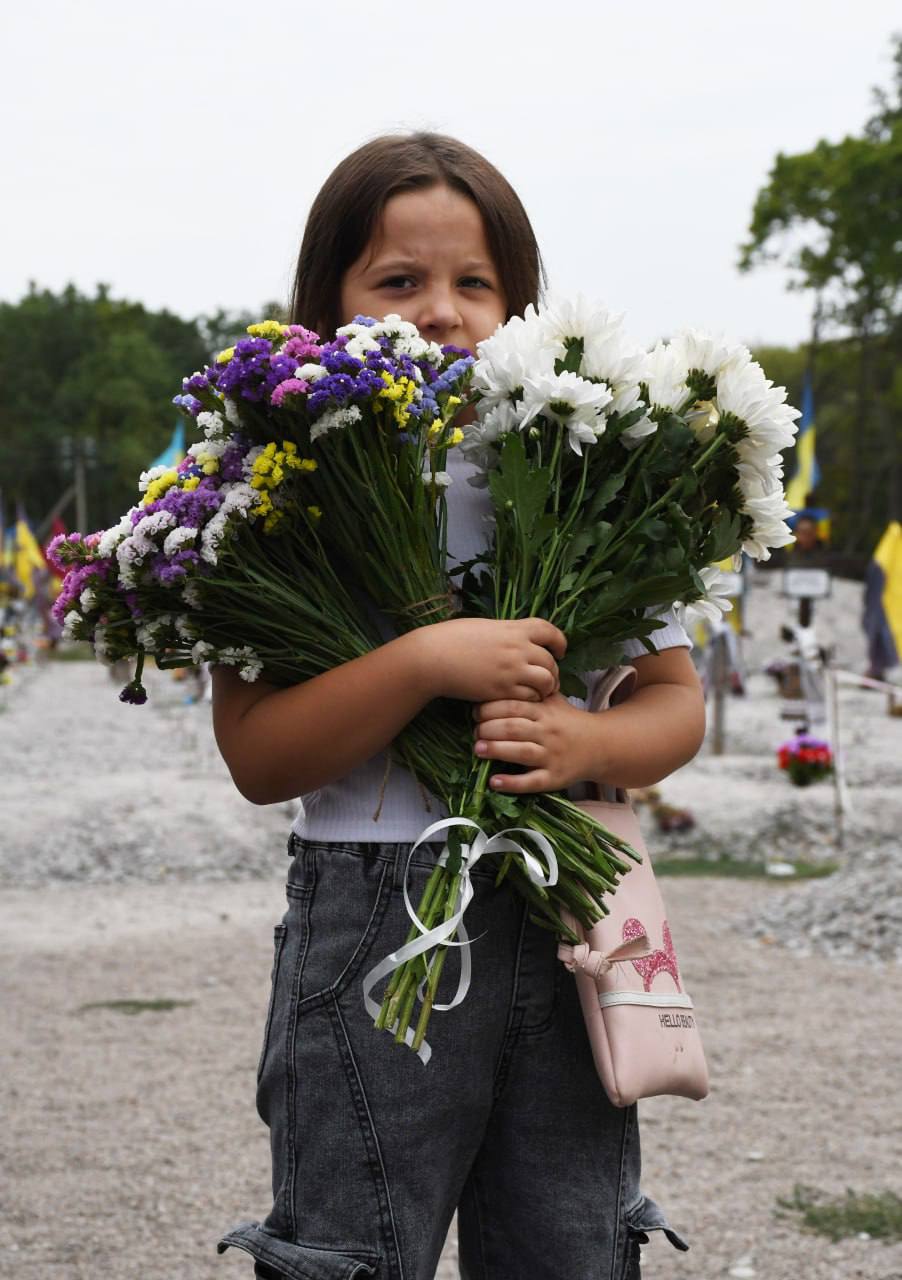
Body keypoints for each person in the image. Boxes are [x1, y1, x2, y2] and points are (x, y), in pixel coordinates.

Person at [212, 132, 704, 1280]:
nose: (441, 310)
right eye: (397, 281)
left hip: (564, 908)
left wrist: (585, 737)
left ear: (519, 302)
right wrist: (422, 661)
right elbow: (257, 752)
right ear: (327, 302)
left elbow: (675, 706)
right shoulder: (281, 489)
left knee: (570, 1243)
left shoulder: (591, 466)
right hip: (369, 911)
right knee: (352, 1248)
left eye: (473, 282)